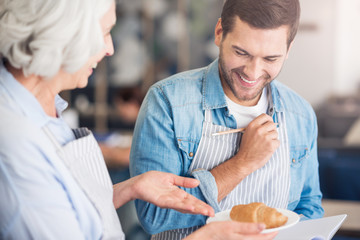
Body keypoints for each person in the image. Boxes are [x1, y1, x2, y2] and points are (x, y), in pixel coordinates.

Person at [0, 0, 277, 240]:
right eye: (105, 32)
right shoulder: (15, 147)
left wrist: (128, 188)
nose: (109, 49)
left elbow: (65, 211)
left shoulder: (40, 107)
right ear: (62, 34)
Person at [130, 0, 324, 238]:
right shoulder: (167, 102)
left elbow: (309, 207)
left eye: (271, 59)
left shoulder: (300, 114)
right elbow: (153, 216)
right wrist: (241, 164)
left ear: (289, 49)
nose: (253, 73)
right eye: (241, 53)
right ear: (219, 32)